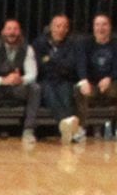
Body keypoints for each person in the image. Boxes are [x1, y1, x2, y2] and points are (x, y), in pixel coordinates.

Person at [75, 12, 117, 139]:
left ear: (110, 27)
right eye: (97, 25)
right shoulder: (85, 44)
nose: (100, 28)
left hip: (110, 84)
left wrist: (110, 78)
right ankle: (80, 128)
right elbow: (80, 64)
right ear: (93, 27)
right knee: (79, 88)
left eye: (104, 25)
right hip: (91, 85)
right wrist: (84, 80)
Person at [0, 15, 40, 140]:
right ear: (3, 32)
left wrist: (21, 79)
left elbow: (32, 74)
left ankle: (28, 130)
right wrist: (3, 80)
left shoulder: (28, 49)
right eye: (9, 29)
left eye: (15, 29)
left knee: (35, 88)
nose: (12, 32)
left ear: (20, 32)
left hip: (17, 88)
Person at [36, 11, 84, 140]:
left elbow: (71, 66)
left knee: (66, 93)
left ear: (67, 29)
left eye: (64, 26)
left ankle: (67, 129)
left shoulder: (72, 44)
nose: (61, 29)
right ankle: (70, 127)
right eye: (58, 26)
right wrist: (58, 63)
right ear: (51, 27)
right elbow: (39, 66)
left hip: (64, 79)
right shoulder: (40, 43)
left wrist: (51, 61)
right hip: (45, 80)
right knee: (48, 91)